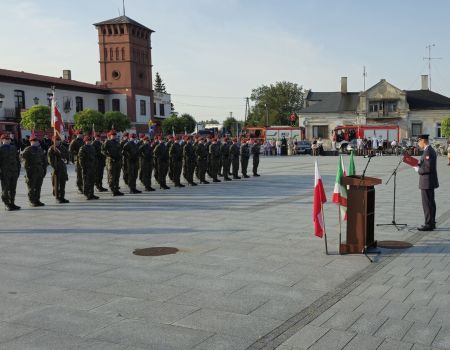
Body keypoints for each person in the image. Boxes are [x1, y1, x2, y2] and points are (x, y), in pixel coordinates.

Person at [414, 134, 439, 231]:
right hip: (429, 181)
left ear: (423, 141)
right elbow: (426, 163)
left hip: (427, 181)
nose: (418, 143)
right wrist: (418, 163)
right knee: (430, 202)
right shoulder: (428, 150)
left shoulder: (428, 151)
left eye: (418, 141)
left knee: (427, 203)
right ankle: (431, 222)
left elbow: (428, 168)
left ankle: (428, 224)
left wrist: (418, 169)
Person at [22, 135, 47, 206]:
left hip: (39, 169)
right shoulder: (28, 149)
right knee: (31, 187)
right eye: (34, 141)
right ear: (31, 142)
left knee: (38, 186)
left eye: (37, 141)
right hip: (32, 170)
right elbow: (23, 160)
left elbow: (44, 160)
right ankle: (31, 201)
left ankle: (37, 200)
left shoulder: (40, 149)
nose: (36, 142)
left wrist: (44, 169)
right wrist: (27, 171)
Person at [0, 134, 21, 210]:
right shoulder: (1, 149)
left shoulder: (13, 148)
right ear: (2, 140)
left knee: (13, 188)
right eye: (6, 139)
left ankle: (12, 203)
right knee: (5, 188)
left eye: (9, 139)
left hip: (14, 171)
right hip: (5, 172)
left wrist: (18, 170)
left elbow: (17, 160)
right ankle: (6, 204)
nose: (8, 140)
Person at [47, 136, 69, 203]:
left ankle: (62, 197)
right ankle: (57, 197)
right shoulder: (52, 148)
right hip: (56, 168)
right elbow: (50, 160)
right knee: (56, 184)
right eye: (55, 140)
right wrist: (54, 166)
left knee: (63, 183)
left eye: (58, 140)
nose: (57, 141)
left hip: (63, 167)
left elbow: (67, 155)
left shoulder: (63, 147)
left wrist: (66, 159)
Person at [102, 131, 124, 196]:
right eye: (112, 135)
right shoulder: (107, 142)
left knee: (117, 176)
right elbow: (102, 150)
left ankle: (116, 189)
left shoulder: (117, 142)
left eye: (115, 135)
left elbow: (120, 150)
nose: (114, 136)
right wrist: (109, 156)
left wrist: (120, 156)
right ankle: (113, 190)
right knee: (112, 176)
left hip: (118, 161)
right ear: (110, 136)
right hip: (111, 162)